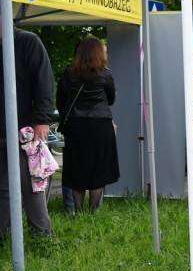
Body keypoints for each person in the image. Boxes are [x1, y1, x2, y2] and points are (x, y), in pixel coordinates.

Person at [0, 22, 55, 240]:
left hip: (24, 131)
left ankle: (42, 237)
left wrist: (42, 120)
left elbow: (44, 83)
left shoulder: (27, 41)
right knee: (2, 189)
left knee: (32, 185)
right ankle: (3, 239)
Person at [56, 35, 119, 215]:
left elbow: (61, 101)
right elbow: (111, 100)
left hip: (76, 126)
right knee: (98, 169)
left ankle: (77, 211)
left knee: (76, 168)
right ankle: (93, 212)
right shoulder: (105, 74)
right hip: (101, 126)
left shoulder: (69, 73)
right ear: (99, 53)